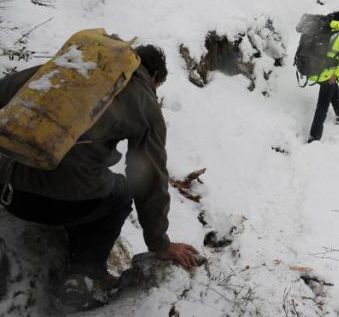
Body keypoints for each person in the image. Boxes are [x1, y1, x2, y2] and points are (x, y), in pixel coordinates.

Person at [0, 44, 199, 309]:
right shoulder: (143, 100)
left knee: (89, 177)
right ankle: (84, 277)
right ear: (154, 78)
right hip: (53, 206)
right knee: (122, 192)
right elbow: (149, 176)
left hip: (7, 191)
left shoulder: (72, 66)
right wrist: (160, 243)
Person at [307, 11, 339, 143]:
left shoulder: (326, 32)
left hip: (318, 72)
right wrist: (336, 74)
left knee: (335, 92)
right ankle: (314, 136)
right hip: (329, 75)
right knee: (322, 106)